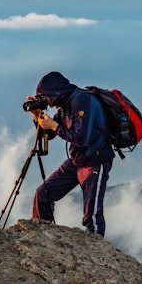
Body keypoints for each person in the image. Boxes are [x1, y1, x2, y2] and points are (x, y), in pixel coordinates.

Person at [28, 72, 114, 236]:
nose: (46, 101)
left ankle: (96, 253)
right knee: (43, 193)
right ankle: (41, 237)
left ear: (56, 92)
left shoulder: (83, 100)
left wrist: (53, 125)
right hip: (77, 161)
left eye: (45, 96)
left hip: (95, 160)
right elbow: (50, 135)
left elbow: (81, 138)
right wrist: (37, 116)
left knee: (92, 217)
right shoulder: (64, 105)